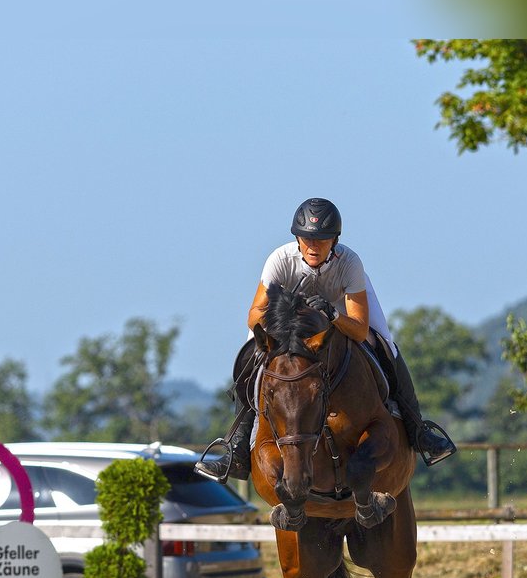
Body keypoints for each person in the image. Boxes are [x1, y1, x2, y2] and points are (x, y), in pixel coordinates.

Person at [195, 197, 456, 483]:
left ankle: (419, 430)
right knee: (252, 355)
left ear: (335, 240)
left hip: (341, 315)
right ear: (297, 237)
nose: (313, 246)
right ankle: (237, 447)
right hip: (288, 324)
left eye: (322, 239)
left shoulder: (349, 262)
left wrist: (332, 313)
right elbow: (254, 315)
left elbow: (357, 328)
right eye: (306, 238)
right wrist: (285, 316)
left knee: (386, 346)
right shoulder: (280, 260)